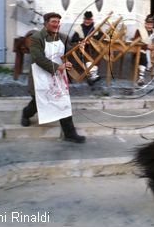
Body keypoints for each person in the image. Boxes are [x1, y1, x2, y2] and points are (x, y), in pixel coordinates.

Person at [20, 12, 86, 143]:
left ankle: (69, 133)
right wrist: (57, 67)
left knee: (63, 103)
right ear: (46, 23)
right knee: (37, 103)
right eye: (53, 22)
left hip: (58, 78)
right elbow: (38, 58)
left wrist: (79, 48)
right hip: (40, 77)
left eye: (58, 22)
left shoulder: (62, 37)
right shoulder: (36, 38)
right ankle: (26, 113)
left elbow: (70, 53)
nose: (57, 25)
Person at [70, 11, 101, 85]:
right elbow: (73, 39)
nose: (87, 21)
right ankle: (93, 76)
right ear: (83, 19)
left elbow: (100, 37)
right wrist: (83, 40)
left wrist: (91, 40)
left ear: (92, 20)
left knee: (96, 56)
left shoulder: (96, 27)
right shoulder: (79, 28)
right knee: (88, 57)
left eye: (89, 19)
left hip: (94, 49)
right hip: (83, 49)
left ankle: (92, 76)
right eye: (86, 19)